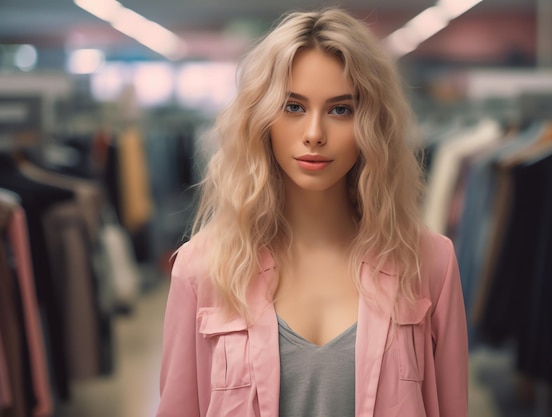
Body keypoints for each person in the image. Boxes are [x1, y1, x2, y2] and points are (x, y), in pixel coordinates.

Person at [156, 7, 468, 417]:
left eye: (340, 109)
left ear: (371, 124)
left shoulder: (430, 263)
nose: (315, 134)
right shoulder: (201, 269)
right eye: (293, 107)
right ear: (261, 119)